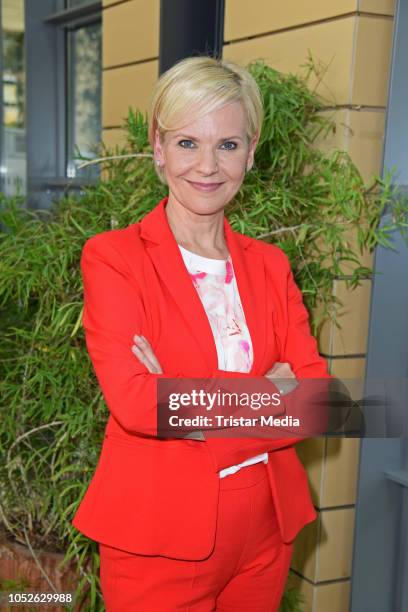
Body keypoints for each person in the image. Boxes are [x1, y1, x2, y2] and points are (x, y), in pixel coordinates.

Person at [71, 55, 331, 611]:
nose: (208, 166)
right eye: (188, 143)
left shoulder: (270, 264)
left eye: (228, 145)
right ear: (159, 148)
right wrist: (267, 393)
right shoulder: (114, 259)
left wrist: (185, 395)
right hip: (158, 535)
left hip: (266, 526)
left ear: (251, 151)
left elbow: (318, 402)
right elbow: (141, 405)